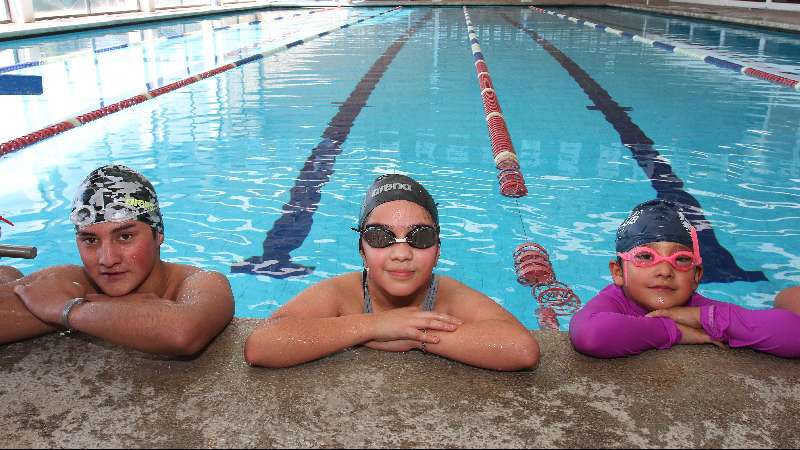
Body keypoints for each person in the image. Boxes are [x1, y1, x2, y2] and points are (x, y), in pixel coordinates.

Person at [244, 174, 540, 370]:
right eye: (380, 237)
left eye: (420, 237)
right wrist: (376, 325)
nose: (401, 253)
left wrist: (415, 334)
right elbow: (262, 344)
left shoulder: (448, 296)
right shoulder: (342, 293)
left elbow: (521, 349)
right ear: (362, 250)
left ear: (437, 251)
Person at [0, 165, 234, 356]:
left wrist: (68, 311)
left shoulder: (202, 282)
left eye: (125, 237)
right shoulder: (74, 280)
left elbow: (182, 333)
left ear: (158, 233)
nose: (107, 259)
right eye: (90, 240)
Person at [569, 199, 800, 359]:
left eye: (680, 260)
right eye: (645, 256)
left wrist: (700, 317)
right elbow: (591, 335)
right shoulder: (614, 301)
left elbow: (795, 335)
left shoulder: (699, 311)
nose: (664, 271)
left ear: (697, 275)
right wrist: (673, 330)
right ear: (618, 272)